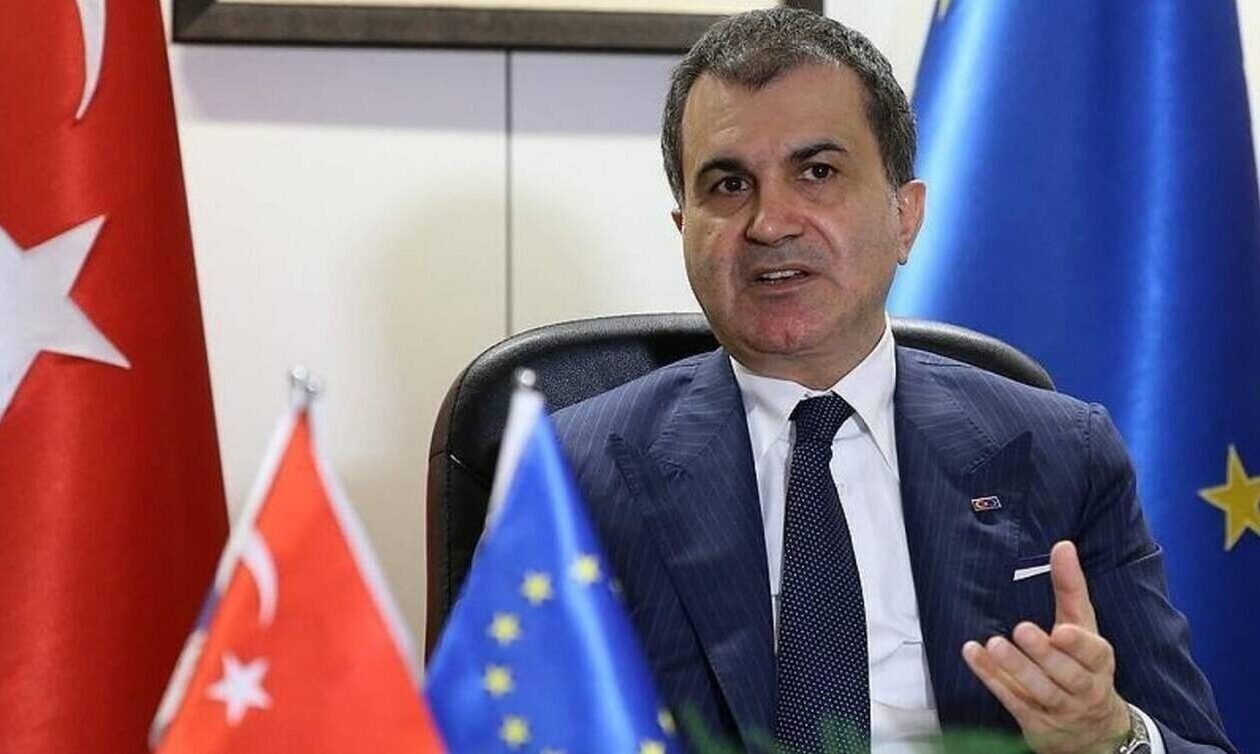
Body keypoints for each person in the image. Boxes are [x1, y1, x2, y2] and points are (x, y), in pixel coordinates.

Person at [551, 8, 1234, 754]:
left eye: (817, 172)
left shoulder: (1062, 456)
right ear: (685, 229)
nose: (770, 223)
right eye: (729, 183)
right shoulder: (573, 477)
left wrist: (1111, 735)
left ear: (905, 217)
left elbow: (1192, 741)